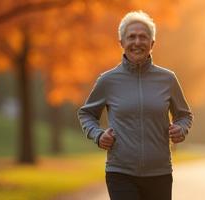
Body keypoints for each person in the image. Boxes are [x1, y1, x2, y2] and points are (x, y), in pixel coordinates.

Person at [78, 10, 193, 200]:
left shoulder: (168, 79)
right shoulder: (108, 80)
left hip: (160, 174)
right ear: (121, 43)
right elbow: (86, 114)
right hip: (120, 173)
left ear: (152, 43)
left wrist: (181, 128)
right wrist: (98, 135)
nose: (137, 42)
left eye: (143, 37)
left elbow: (184, 115)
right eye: (131, 37)